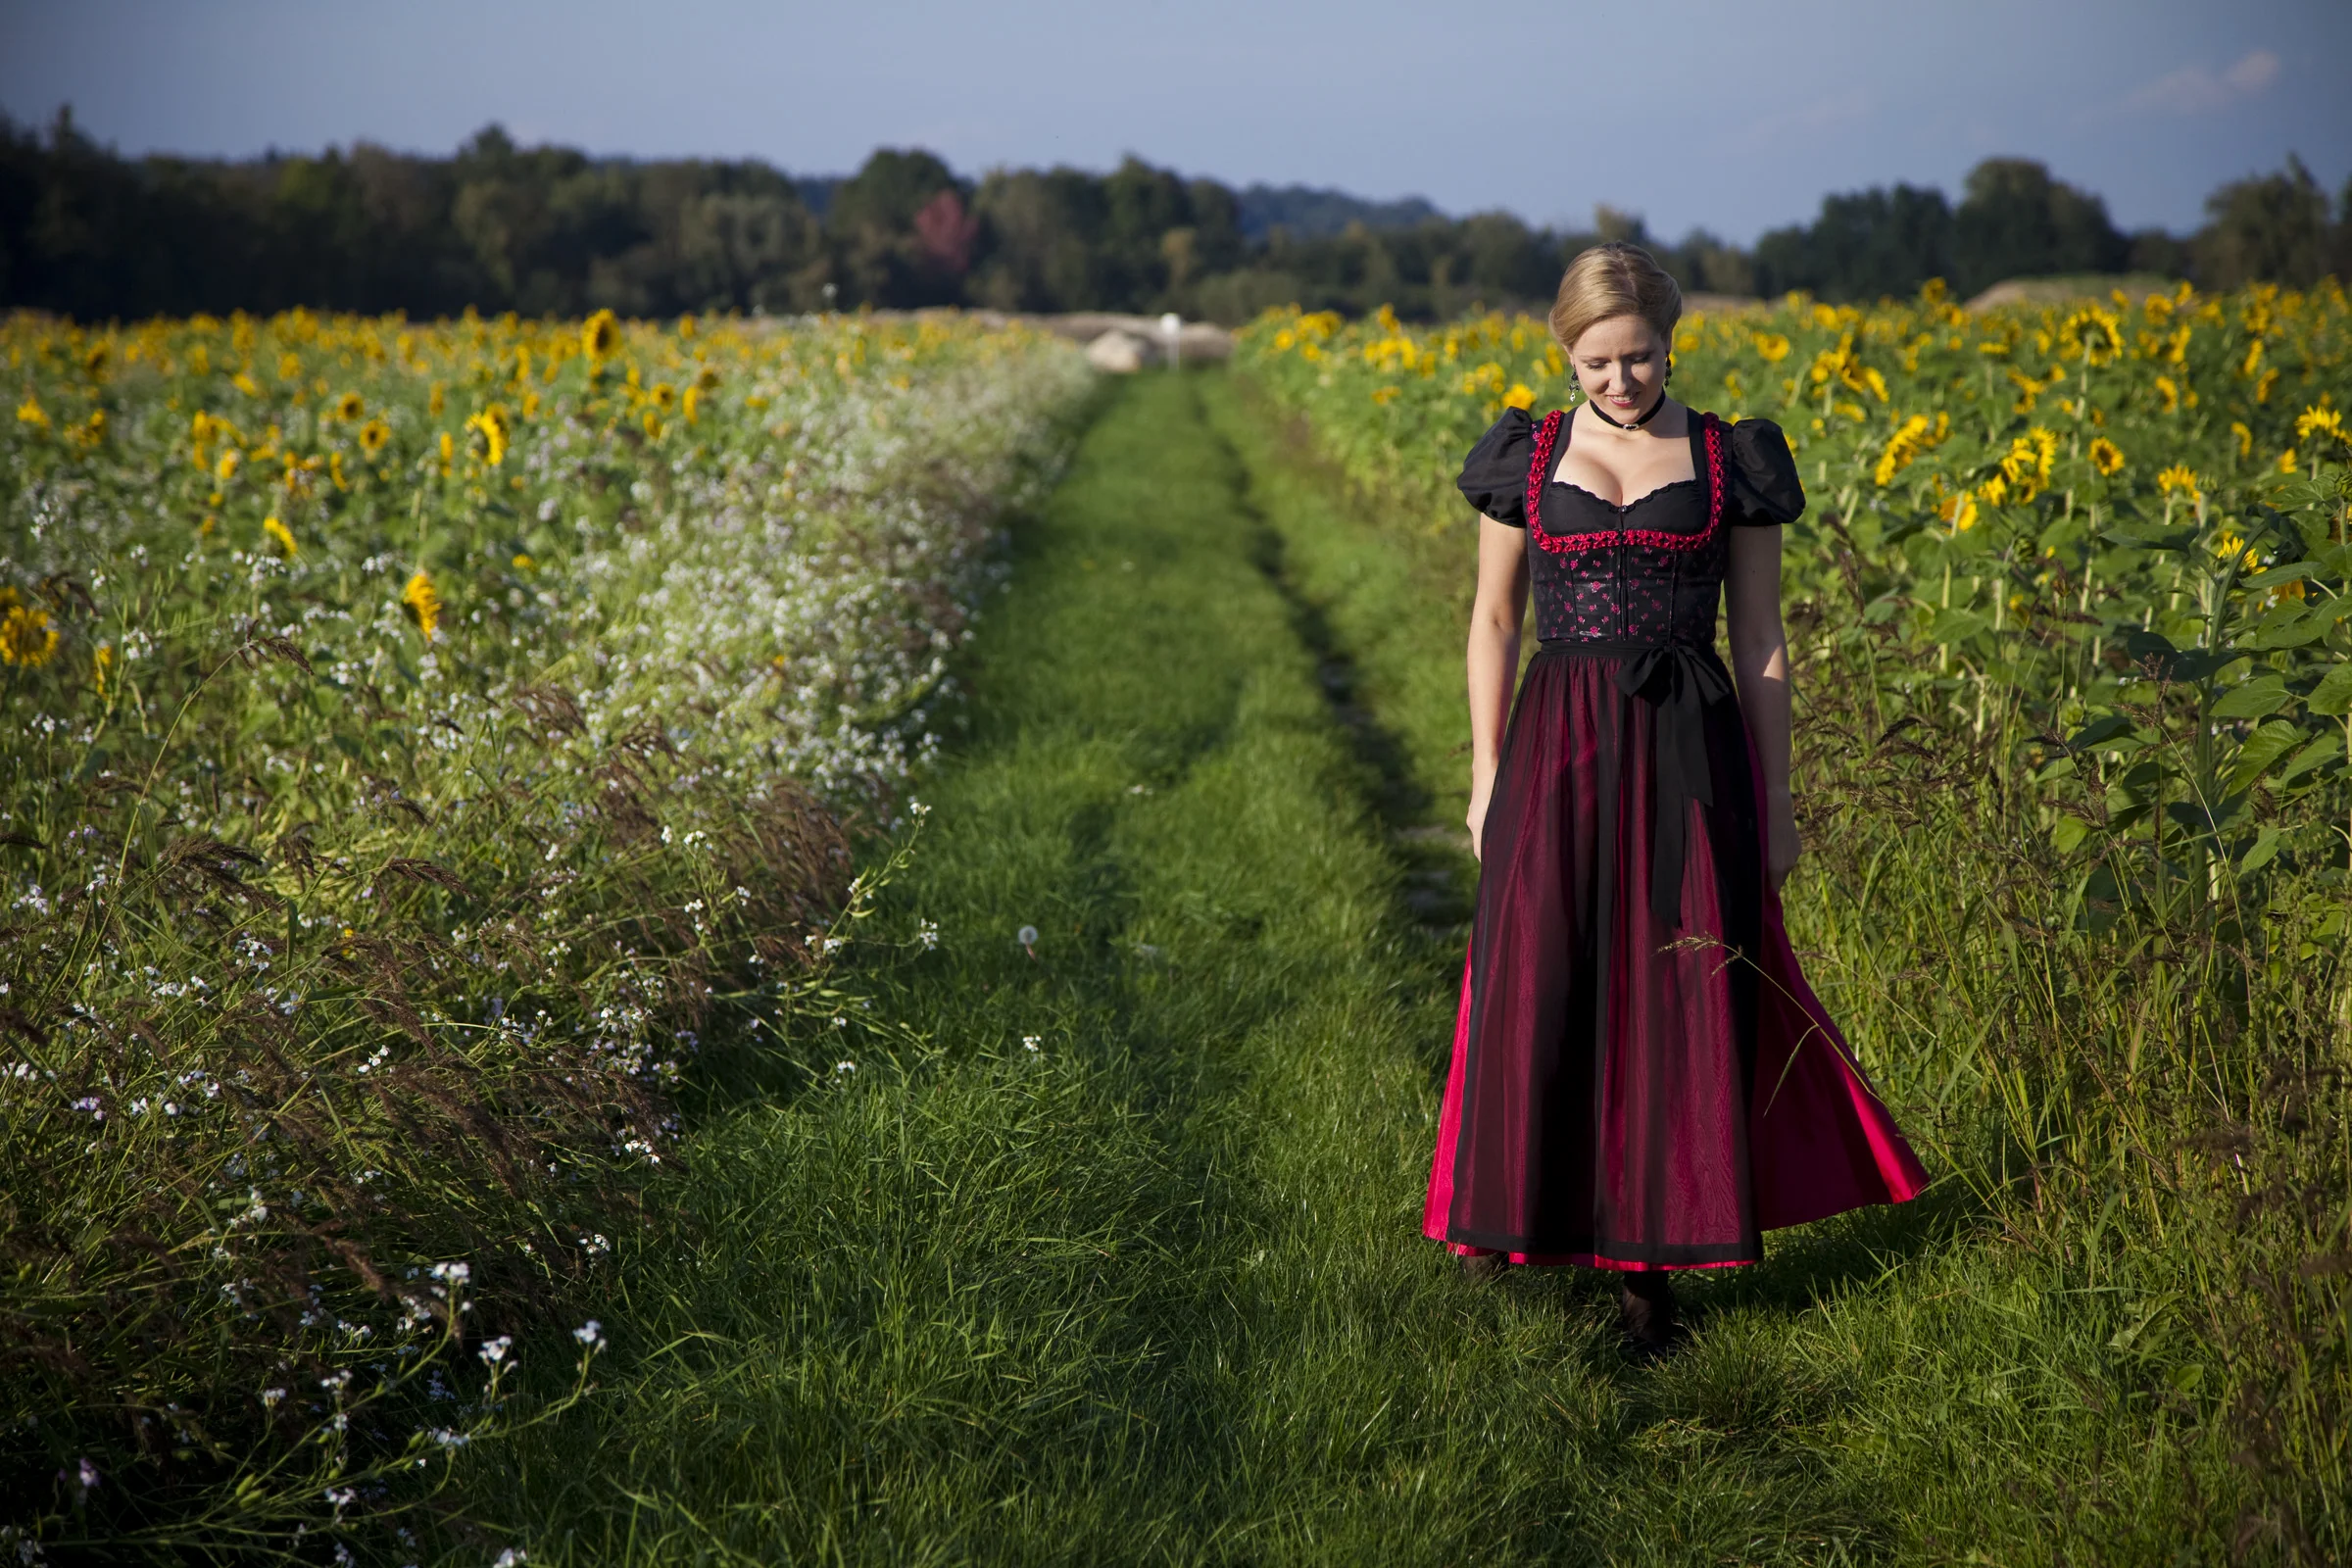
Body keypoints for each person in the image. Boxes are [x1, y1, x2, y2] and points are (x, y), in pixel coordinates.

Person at [1421, 242, 1927, 1357]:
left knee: (1678, 990)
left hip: (1690, 748)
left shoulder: (1728, 456)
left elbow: (1761, 640)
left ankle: (1655, 1287)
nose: (1621, 381)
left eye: (1640, 357)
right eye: (1599, 361)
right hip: (1556, 745)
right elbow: (1494, 620)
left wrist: (1781, 799)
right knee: (1548, 979)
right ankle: (1551, 1223)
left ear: (1670, 342)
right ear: (1566, 352)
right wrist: (1483, 773)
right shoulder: (1527, 454)